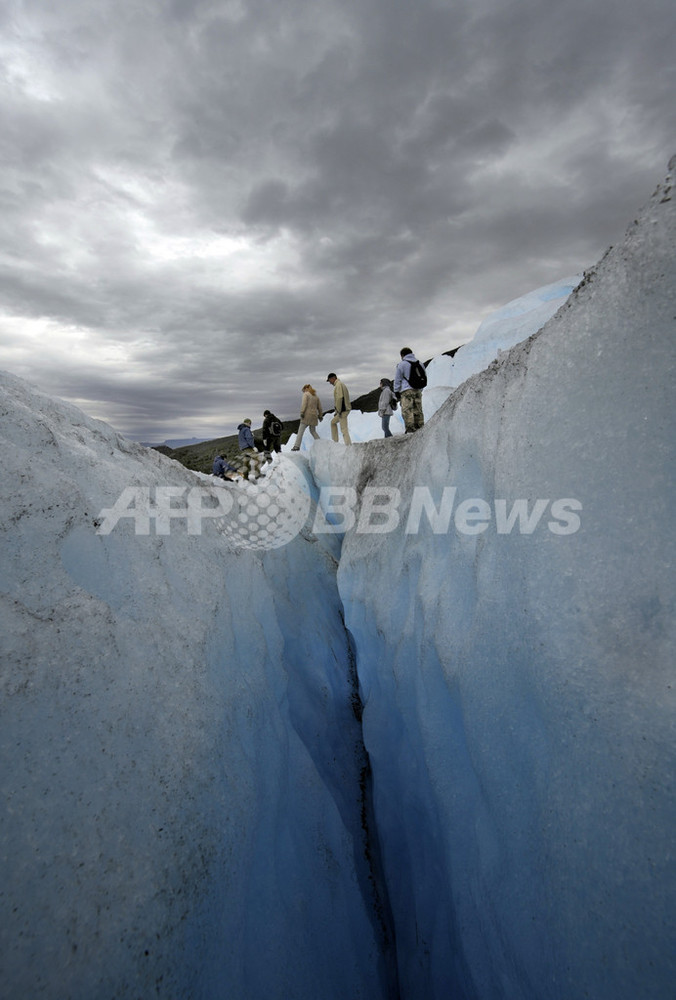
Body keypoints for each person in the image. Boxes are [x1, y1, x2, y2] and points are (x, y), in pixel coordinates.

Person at [393, 348, 425, 433]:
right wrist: (420, 389)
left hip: (406, 391)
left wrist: (396, 391)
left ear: (402, 355)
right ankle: (421, 429)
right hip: (417, 390)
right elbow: (423, 376)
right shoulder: (420, 363)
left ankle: (410, 430)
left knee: (407, 410)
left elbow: (397, 379)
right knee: (418, 409)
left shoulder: (402, 364)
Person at [291, 385, 323, 451]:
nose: (303, 391)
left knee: (300, 431)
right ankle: (321, 444)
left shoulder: (306, 394)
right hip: (314, 417)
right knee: (313, 431)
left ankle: (296, 446)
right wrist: (320, 416)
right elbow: (320, 408)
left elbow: (304, 404)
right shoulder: (316, 396)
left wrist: (302, 412)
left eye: (303, 390)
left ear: (306, 388)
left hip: (306, 416)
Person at [326, 373, 352, 445]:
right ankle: (335, 442)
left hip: (342, 411)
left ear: (333, 378)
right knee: (333, 422)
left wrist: (339, 410)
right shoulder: (340, 384)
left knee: (344, 429)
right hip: (342, 410)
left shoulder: (338, 385)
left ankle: (349, 446)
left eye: (329, 380)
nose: (330, 382)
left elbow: (340, 398)